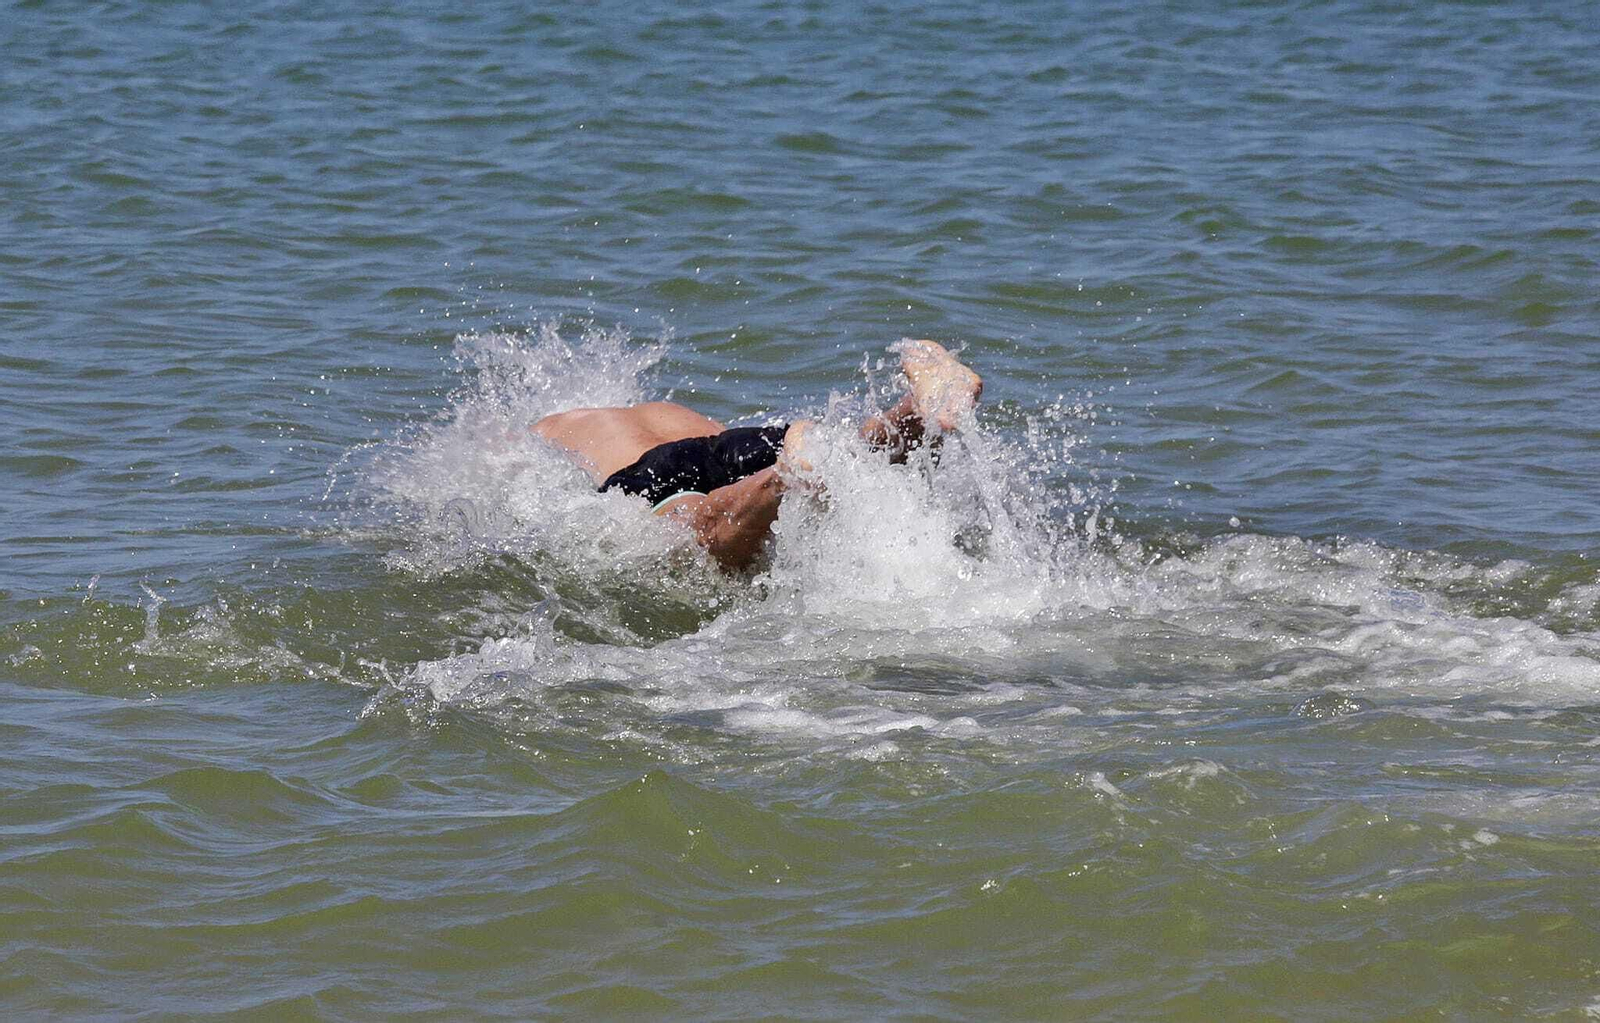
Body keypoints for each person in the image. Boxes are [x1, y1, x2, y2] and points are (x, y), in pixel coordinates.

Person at [531, 339, 983, 571]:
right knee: (853, 458)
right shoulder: (665, 410)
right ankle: (914, 409)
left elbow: (510, 474)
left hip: (653, 474)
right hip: (735, 443)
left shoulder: (551, 426)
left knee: (703, 530)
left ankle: (786, 477)